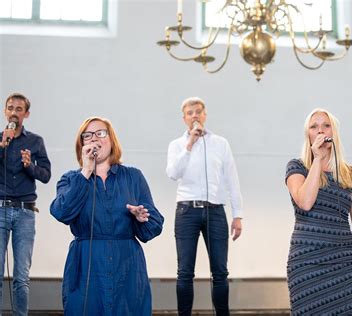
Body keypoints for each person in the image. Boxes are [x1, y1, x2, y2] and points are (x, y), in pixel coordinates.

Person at [50, 117, 164, 315]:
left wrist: (141, 218)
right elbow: (61, 212)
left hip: (126, 264)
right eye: (88, 136)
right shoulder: (70, 178)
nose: (94, 139)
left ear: (111, 140)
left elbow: (154, 225)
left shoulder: (133, 176)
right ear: (82, 145)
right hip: (86, 264)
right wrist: (85, 171)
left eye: (100, 133)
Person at [285, 108, 352, 315]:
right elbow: (305, 202)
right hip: (306, 262)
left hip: (342, 264)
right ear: (308, 135)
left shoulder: (351, 175)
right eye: (314, 126)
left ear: (334, 132)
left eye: (326, 125)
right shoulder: (297, 167)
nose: (320, 130)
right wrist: (317, 160)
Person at [166, 97, 243, 316]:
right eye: (190, 113)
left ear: (205, 115)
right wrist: (189, 144)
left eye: (198, 111)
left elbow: (232, 179)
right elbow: (173, 173)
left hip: (215, 210)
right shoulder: (176, 145)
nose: (195, 116)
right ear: (184, 118)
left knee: (220, 272)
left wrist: (238, 215)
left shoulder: (221, 143)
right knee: (184, 272)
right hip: (186, 211)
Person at [0, 93, 51, 315]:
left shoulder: (35, 141)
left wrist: (29, 166)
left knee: (21, 276)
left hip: (25, 213)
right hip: (0, 210)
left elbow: (46, 175)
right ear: (5, 111)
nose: (14, 112)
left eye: (19, 109)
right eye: (10, 107)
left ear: (26, 114)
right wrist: (2, 147)